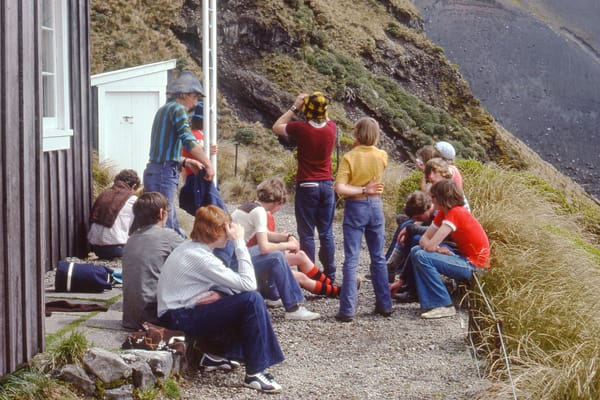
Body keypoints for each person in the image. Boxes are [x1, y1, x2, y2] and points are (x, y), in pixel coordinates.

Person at [157, 205, 285, 393]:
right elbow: (249, 285)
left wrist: (220, 294)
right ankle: (255, 373)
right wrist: (240, 242)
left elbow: (228, 286)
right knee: (251, 300)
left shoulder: (191, 248)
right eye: (226, 231)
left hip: (178, 310)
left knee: (240, 300)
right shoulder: (200, 257)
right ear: (215, 232)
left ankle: (213, 355)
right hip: (176, 317)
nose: (229, 235)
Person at [231, 177, 341, 299]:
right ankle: (337, 291)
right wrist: (288, 245)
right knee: (300, 276)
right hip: (240, 263)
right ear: (277, 202)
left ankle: (333, 286)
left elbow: (265, 234)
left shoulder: (251, 206)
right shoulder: (260, 212)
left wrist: (288, 237)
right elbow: (264, 247)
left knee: (301, 256)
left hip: (240, 256)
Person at [272, 91, 337, 282]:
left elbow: (277, 126)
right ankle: (330, 274)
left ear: (307, 110)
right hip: (327, 184)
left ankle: (311, 275)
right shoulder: (332, 128)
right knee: (326, 233)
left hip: (307, 184)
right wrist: (318, 105)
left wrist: (295, 106)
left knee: (307, 233)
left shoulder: (300, 128)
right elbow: (325, 117)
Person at [334, 117, 393, 322]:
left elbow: (340, 188)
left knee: (352, 258)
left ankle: (348, 309)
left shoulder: (350, 157)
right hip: (376, 206)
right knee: (378, 256)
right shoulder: (382, 155)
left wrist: (360, 189)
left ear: (356, 135)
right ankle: (385, 305)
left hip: (355, 206)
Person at [143, 70, 214, 237]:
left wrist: (186, 162)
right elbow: (189, 141)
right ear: (184, 94)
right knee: (164, 220)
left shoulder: (164, 110)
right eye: (195, 97)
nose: (196, 103)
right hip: (164, 173)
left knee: (164, 218)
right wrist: (208, 164)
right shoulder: (178, 110)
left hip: (156, 171)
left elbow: (160, 151)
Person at [410, 179, 490, 319]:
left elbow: (429, 245)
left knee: (422, 256)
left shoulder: (456, 213)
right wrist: (436, 249)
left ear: (441, 197)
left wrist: (435, 248)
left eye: (433, 196)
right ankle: (430, 301)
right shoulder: (443, 213)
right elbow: (424, 239)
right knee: (416, 250)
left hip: (475, 266)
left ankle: (444, 305)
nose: (431, 200)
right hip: (465, 259)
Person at [121, 192, 184, 330]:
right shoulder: (167, 236)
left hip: (131, 318)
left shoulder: (131, 239)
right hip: (154, 317)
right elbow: (196, 258)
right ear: (161, 213)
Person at [88, 169, 140, 259]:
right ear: (134, 186)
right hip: (117, 248)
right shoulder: (133, 199)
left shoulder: (104, 194)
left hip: (96, 249)